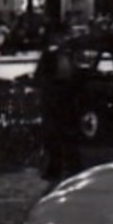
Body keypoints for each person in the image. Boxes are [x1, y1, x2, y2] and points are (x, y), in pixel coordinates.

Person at [37, 45, 83, 185]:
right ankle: (58, 168)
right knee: (56, 137)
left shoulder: (64, 55)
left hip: (62, 98)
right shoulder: (58, 56)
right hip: (57, 98)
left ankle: (67, 167)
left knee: (63, 137)